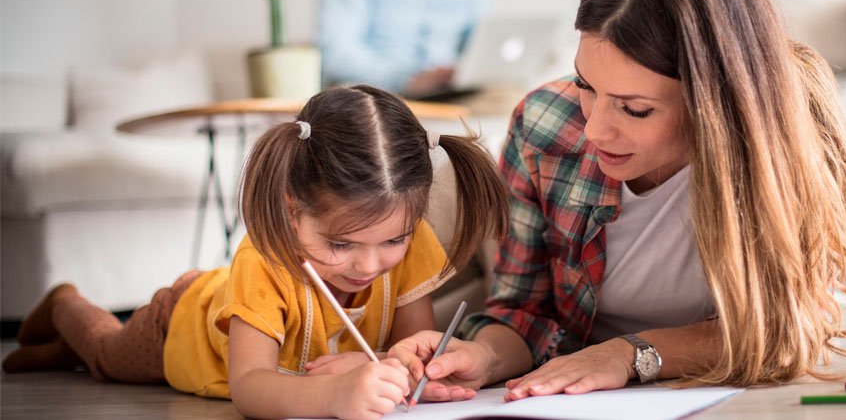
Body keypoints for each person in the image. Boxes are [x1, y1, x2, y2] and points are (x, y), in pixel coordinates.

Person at [388, 0, 846, 402]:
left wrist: (629, 354)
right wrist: (483, 356)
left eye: (635, 109)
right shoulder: (543, 126)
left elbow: (786, 334)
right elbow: (525, 312)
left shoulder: (789, 139)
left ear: (713, 104)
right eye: (586, 84)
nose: (595, 129)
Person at [2, 85, 509, 419]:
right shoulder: (264, 259)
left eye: (393, 241)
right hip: (177, 327)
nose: (370, 265)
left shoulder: (409, 242)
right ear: (292, 210)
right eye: (340, 243)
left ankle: (53, 354)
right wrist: (336, 394)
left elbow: (408, 346)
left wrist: (407, 367)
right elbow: (250, 387)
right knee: (106, 357)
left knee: (69, 363)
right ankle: (66, 303)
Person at [318, 0, 490, 98]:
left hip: (449, 97)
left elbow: (482, 40)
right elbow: (334, 54)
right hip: (378, 100)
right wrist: (406, 82)